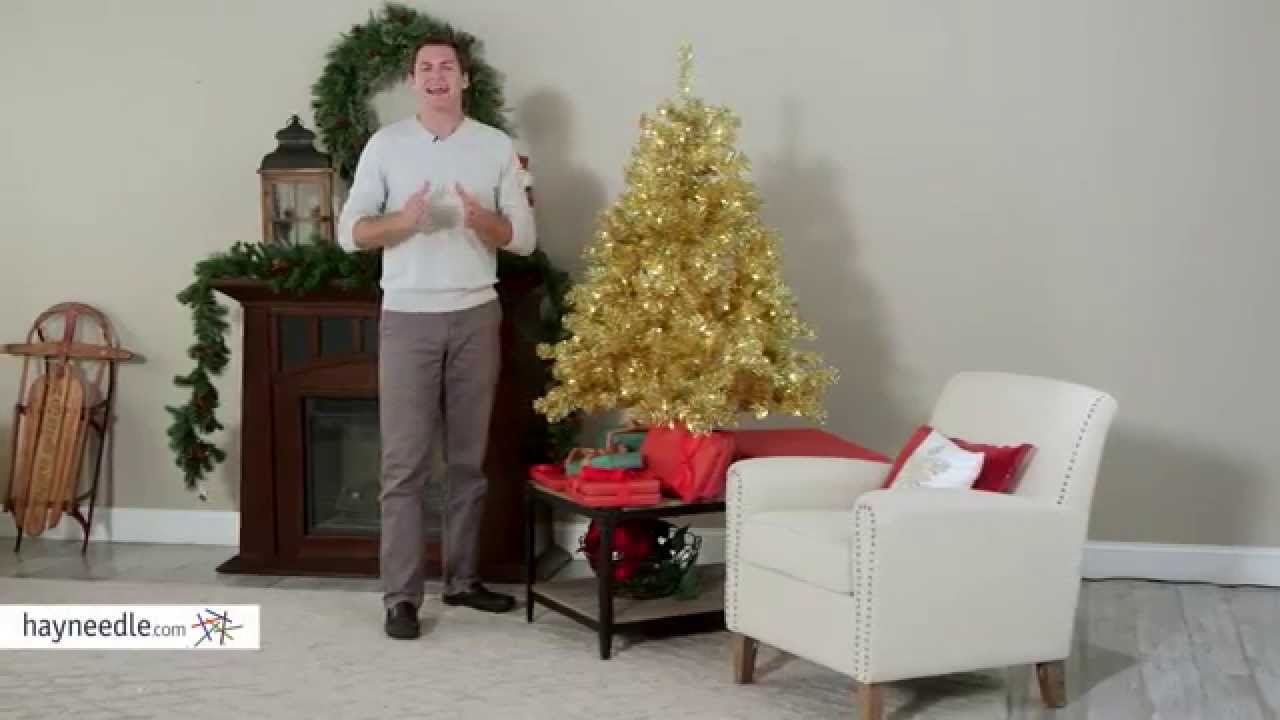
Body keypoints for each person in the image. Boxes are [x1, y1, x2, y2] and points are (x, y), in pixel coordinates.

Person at [336, 29, 536, 640]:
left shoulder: (495, 145)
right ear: (413, 80)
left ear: (464, 79)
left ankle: (463, 580)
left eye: (447, 66)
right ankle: (401, 597)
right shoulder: (386, 145)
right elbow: (350, 233)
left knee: (468, 462)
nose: (436, 76)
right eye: (425, 67)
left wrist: (481, 220)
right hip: (407, 319)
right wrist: (403, 220)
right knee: (403, 466)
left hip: (476, 314)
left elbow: (524, 240)